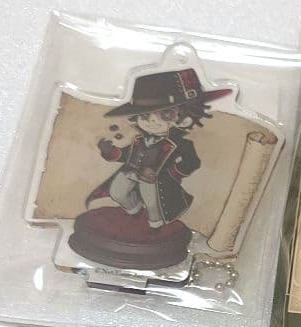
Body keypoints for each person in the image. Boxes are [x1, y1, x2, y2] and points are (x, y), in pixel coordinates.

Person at [86, 69, 231, 228]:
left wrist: (172, 173)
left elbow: (192, 162)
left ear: (183, 118)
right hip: (131, 171)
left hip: (154, 179)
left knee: (152, 203)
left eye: (165, 114)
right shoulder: (139, 140)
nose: (152, 121)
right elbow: (126, 154)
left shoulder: (180, 144)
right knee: (117, 191)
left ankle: (156, 226)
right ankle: (134, 211)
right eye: (145, 116)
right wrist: (110, 152)